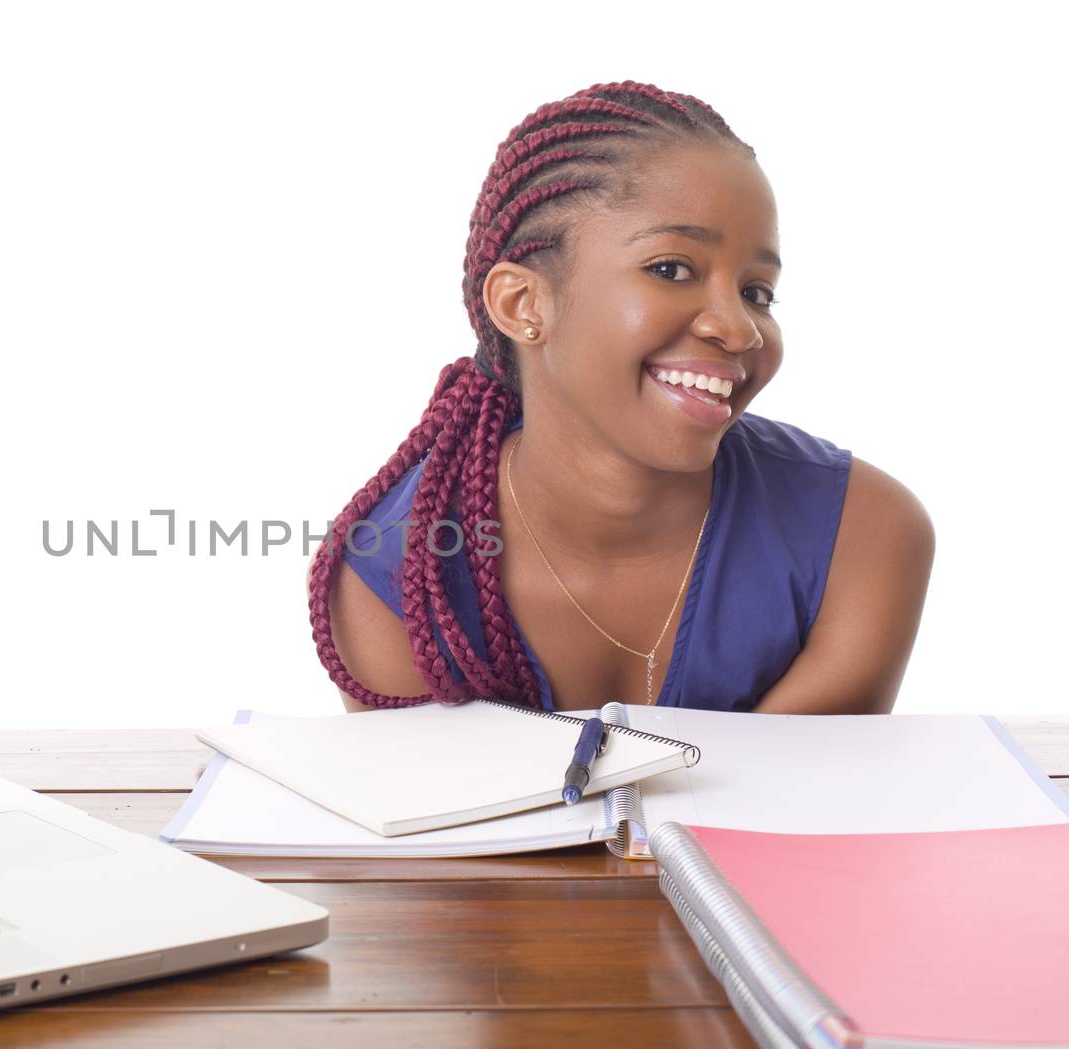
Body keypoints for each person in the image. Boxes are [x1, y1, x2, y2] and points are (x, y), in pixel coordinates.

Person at [306, 80, 934, 716]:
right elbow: (430, 812)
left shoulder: (864, 536)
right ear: (524, 305)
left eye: (757, 292)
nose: (739, 328)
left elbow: (777, 806)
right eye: (671, 269)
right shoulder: (393, 576)